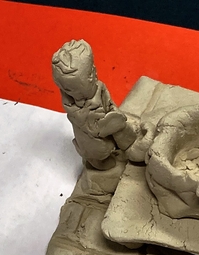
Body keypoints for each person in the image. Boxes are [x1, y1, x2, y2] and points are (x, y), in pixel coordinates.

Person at [52, 40, 136, 170]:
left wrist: (112, 110)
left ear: (94, 72)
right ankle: (97, 161)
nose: (93, 78)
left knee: (121, 130)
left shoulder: (99, 88)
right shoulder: (75, 110)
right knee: (101, 150)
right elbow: (92, 128)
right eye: (70, 90)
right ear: (65, 89)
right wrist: (108, 122)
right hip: (92, 140)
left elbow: (108, 100)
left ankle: (126, 146)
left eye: (91, 75)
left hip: (108, 123)